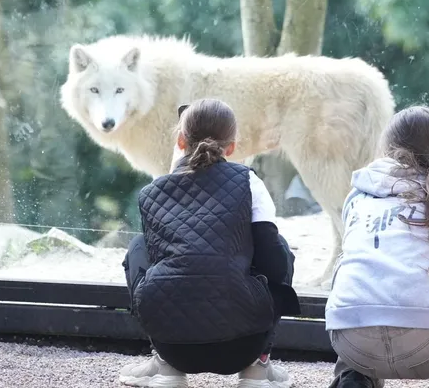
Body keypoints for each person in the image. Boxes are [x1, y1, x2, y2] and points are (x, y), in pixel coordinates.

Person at [119, 98, 301, 388]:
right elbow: (273, 260)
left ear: (180, 140)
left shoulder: (151, 192)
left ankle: (167, 368)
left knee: (139, 247)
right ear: (231, 146)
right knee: (277, 244)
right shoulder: (248, 182)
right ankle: (258, 368)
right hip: (244, 345)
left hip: (174, 348)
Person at [324, 106, 429, 388]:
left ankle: (353, 376)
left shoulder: (360, 191)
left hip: (352, 341)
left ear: (387, 147)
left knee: (360, 271)